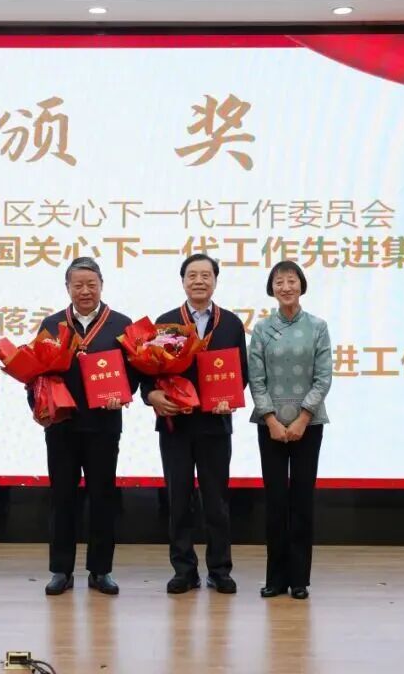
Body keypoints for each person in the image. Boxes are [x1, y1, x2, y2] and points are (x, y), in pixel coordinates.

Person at [142, 254, 248, 595]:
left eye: (206, 275)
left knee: (216, 500)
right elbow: (149, 369)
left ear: (215, 281)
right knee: (178, 499)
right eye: (192, 275)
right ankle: (184, 570)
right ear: (183, 281)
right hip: (176, 426)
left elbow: (241, 373)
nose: (199, 281)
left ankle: (219, 569)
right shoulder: (166, 322)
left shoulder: (230, 323)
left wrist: (230, 397)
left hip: (215, 425)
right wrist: (151, 395)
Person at [32, 257, 137, 596]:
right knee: (62, 497)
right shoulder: (51, 324)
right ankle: (61, 571)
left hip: (104, 425)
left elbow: (135, 371)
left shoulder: (121, 324)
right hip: (61, 427)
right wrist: (39, 405)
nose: (85, 291)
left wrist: (123, 394)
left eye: (91, 284)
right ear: (67, 288)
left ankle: (101, 570)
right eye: (78, 285)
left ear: (102, 286)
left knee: (103, 497)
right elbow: (35, 372)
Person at [248, 260, 332, 600]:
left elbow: (323, 377)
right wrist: (270, 419)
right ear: (272, 288)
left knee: (301, 499)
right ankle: (275, 578)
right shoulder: (262, 329)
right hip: (269, 425)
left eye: (291, 281)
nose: (286, 287)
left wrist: (302, 418)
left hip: (308, 424)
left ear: (301, 285)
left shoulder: (318, 326)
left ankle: (299, 580)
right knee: (275, 501)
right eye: (279, 282)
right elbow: (256, 379)